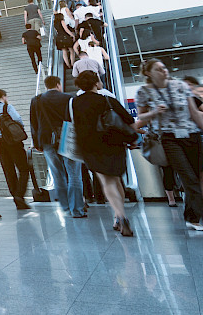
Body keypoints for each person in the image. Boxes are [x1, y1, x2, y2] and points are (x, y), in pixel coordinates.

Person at [135, 59, 203, 230]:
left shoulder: (180, 86)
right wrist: (155, 112)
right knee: (189, 178)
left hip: (191, 134)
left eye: (164, 68)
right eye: (158, 69)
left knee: (196, 176)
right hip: (169, 137)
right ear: (148, 73)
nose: (164, 71)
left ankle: (191, 215)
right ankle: (194, 219)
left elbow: (194, 112)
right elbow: (141, 118)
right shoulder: (144, 91)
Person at [72, 70, 139, 236]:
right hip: (113, 144)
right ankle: (119, 215)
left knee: (106, 181)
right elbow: (128, 119)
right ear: (96, 83)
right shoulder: (107, 100)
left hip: (90, 147)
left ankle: (120, 215)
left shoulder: (74, 103)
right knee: (116, 180)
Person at [30, 76, 84, 217]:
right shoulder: (69, 98)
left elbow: (34, 124)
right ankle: (77, 209)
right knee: (74, 174)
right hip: (68, 138)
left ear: (46, 86)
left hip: (47, 140)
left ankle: (65, 206)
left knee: (57, 174)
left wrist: (37, 143)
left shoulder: (36, 100)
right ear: (58, 85)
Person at [0, 90, 30, 209]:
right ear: (3, 97)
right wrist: (19, 131)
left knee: (9, 171)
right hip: (12, 141)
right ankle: (19, 195)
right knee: (24, 169)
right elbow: (18, 119)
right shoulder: (7, 107)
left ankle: (16, 197)